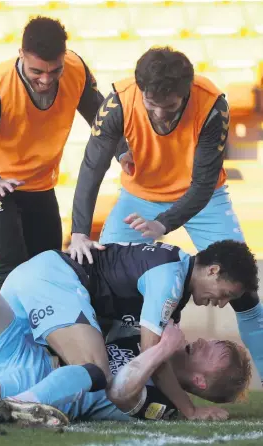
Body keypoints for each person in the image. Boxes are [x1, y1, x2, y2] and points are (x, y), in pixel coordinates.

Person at [0, 239, 258, 421]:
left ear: (202, 378)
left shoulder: (170, 284)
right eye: (226, 292)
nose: (221, 304)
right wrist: (190, 409)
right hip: (58, 284)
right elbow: (147, 350)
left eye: (214, 349)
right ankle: (20, 406)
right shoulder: (170, 281)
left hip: (38, 294)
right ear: (213, 269)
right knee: (93, 369)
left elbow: (139, 340)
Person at [68, 46, 263, 384]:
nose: (159, 114)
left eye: (169, 106)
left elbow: (202, 185)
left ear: (185, 93)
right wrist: (79, 231)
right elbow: (91, 166)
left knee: (244, 292)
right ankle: (109, 378)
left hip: (204, 201)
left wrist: (164, 223)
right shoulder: (119, 100)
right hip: (138, 198)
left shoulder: (212, 104)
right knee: (106, 285)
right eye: (151, 105)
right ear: (142, 90)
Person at [0, 321, 251, 429]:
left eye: (208, 351)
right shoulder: (143, 338)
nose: (199, 341)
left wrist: (164, 349)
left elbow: (123, 389)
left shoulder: (166, 404)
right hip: (45, 361)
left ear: (200, 382)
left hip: (59, 392)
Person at [0, 16, 104, 289]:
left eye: (54, 70)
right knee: (14, 273)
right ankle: (18, 332)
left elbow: (104, 121)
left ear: (63, 58)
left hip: (40, 186)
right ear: (21, 54)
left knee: (50, 268)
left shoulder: (76, 69)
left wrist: (125, 153)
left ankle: (48, 332)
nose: (46, 80)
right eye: (37, 71)